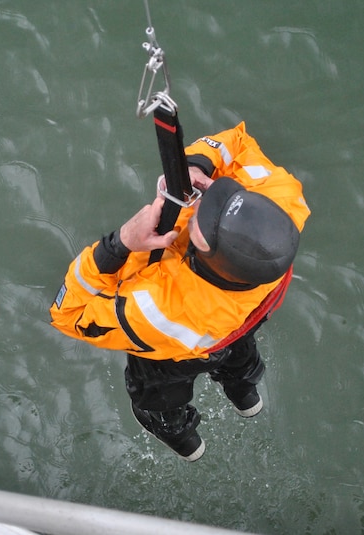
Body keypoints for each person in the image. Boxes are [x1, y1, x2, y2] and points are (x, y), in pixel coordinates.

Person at [49, 122, 310, 461]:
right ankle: (245, 393)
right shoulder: (284, 202)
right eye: (221, 194)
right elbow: (239, 141)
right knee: (238, 351)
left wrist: (121, 242)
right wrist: (197, 166)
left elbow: (68, 315)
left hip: (182, 352)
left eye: (200, 220)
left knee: (156, 393)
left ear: (208, 258)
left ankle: (183, 439)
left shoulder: (161, 309)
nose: (199, 201)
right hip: (245, 317)